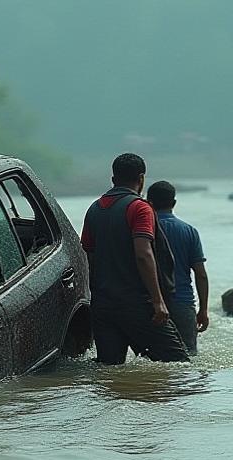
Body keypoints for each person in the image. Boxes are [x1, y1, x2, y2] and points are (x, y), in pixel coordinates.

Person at [80, 154, 189, 363]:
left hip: (103, 307)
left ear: (113, 179)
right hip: (138, 304)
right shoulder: (140, 208)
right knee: (179, 367)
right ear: (141, 179)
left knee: (110, 369)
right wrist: (158, 301)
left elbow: (88, 256)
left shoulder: (94, 209)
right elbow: (143, 254)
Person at [146, 181, 209, 356]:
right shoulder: (189, 231)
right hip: (183, 303)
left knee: (153, 356)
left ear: (148, 203)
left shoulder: (143, 230)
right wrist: (203, 310)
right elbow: (201, 275)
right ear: (173, 203)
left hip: (150, 304)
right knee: (187, 357)